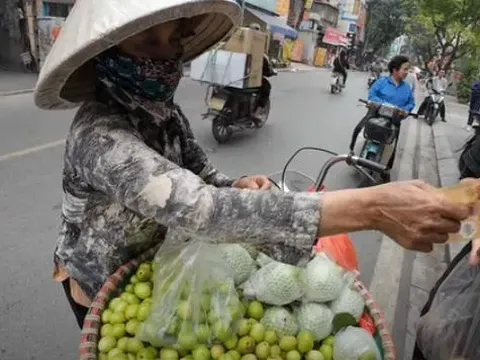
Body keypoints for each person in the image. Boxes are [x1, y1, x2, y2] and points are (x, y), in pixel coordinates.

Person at [34, 0, 473, 328]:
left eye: (172, 41)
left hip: (157, 267)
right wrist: (372, 209)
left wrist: (239, 182)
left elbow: (205, 178)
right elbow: (200, 208)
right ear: (108, 54)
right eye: (147, 42)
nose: (165, 55)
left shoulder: (165, 113)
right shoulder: (99, 134)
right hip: (102, 281)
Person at [349, 55, 415, 175]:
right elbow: (372, 94)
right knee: (359, 130)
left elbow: (411, 103)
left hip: (394, 121)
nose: (407, 72)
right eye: (404, 69)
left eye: (407, 70)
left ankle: (386, 170)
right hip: (375, 115)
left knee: (394, 146)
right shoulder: (381, 82)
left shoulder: (407, 88)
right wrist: (382, 104)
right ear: (395, 69)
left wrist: (405, 110)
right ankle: (352, 152)